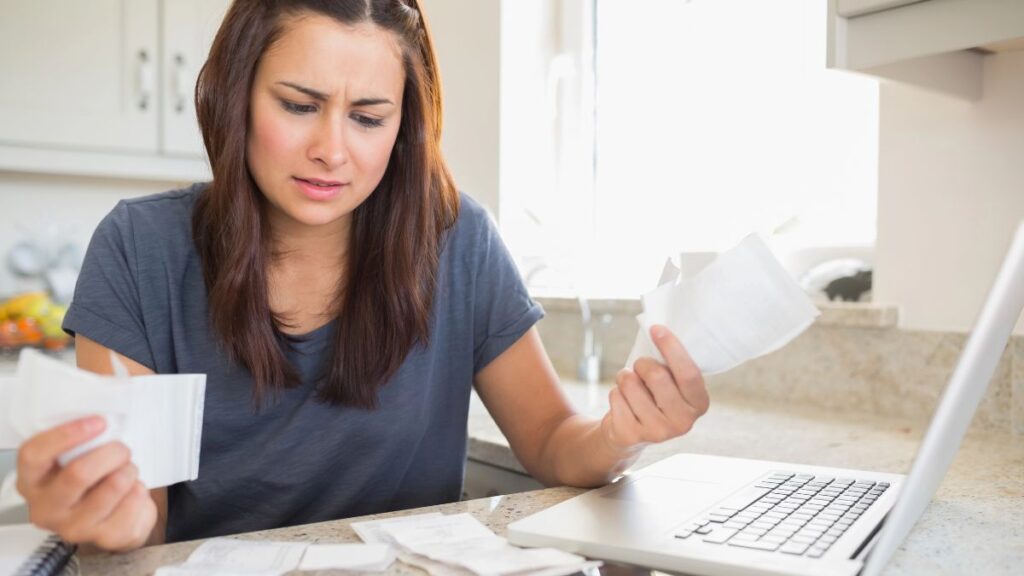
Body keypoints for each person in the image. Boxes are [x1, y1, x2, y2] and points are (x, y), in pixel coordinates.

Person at [15, 0, 710, 553]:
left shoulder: (458, 240)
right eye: (297, 105)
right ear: (235, 96)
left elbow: (557, 444)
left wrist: (623, 435)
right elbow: (145, 530)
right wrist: (106, 516)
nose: (331, 151)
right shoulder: (142, 249)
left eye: (369, 117)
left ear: (403, 124)